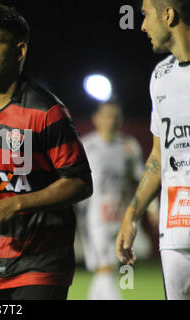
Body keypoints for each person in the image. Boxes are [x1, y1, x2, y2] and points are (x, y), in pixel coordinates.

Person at [0, 4, 92, 300]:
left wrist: (15, 204)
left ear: (20, 50)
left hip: (41, 262)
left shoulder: (46, 111)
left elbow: (80, 182)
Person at [116, 0, 190, 300]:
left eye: (146, 16)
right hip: (176, 236)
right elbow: (157, 158)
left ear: (169, 15)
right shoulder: (161, 77)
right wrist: (130, 215)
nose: (142, 25)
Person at [77, 101, 158, 300]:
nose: (111, 120)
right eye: (107, 115)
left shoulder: (129, 146)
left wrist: (152, 208)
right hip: (94, 216)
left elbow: (143, 179)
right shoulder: (87, 146)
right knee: (105, 266)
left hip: (122, 216)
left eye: (116, 116)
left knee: (109, 269)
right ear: (96, 119)